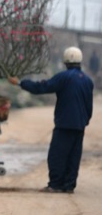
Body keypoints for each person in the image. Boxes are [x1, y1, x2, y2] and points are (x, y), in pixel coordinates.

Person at [8, 46, 93, 194]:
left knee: (57, 155)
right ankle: (69, 186)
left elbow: (42, 87)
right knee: (74, 156)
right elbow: (88, 106)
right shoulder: (87, 81)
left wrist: (21, 83)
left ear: (66, 62)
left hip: (64, 124)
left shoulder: (63, 77)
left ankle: (55, 185)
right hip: (79, 125)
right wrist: (84, 121)